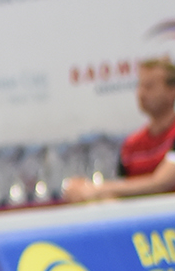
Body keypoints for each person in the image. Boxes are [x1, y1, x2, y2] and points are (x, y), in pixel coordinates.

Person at [65, 58, 175, 201]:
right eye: (140, 86)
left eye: (149, 86)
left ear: (172, 91)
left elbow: (162, 182)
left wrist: (95, 189)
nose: (142, 93)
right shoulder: (131, 145)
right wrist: (83, 192)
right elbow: (121, 192)